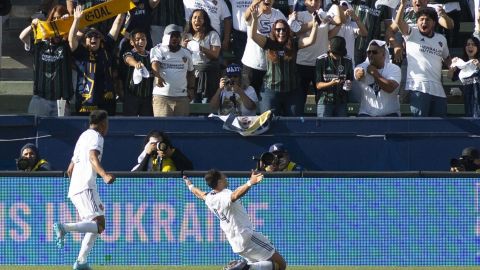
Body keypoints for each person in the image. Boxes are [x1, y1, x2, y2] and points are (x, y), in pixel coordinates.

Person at [183, 169, 287, 270]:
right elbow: (235, 195)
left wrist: (190, 185)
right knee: (281, 264)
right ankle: (244, 267)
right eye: (223, 176)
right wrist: (250, 182)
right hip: (247, 237)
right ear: (219, 181)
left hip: (236, 243)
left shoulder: (210, 197)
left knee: (266, 266)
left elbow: (200, 194)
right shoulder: (224, 195)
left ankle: (246, 267)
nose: (225, 178)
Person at [53, 110, 115, 270]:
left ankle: (81, 262)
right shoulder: (96, 137)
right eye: (107, 123)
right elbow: (92, 157)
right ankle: (64, 227)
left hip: (76, 187)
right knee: (100, 225)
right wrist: (104, 174)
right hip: (86, 185)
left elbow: (70, 168)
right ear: (103, 124)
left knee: (94, 223)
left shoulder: (83, 136)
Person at [249, 4, 318, 116]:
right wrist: (255, 20)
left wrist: (315, 25)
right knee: (268, 122)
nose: (281, 32)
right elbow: (253, 36)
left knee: (295, 123)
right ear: (274, 31)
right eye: (278, 30)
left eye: (284, 29)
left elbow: (310, 41)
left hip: (293, 91)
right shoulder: (269, 43)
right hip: (270, 90)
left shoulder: (294, 43)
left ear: (288, 31)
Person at [394, 0, 451, 117]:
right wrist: (403, 5)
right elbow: (399, 23)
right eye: (421, 19)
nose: (424, 22)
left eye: (427, 20)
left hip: (438, 89)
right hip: (419, 88)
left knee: (440, 128)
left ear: (434, 23)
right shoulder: (411, 34)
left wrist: (453, 66)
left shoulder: (441, 39)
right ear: (417, 21)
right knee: (420, 126)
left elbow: (447, 58)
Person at [69, 5, 125, 115]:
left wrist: (122, 5)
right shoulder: (81, 52)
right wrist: (76, 20)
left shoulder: (106, 48)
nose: (94, 38)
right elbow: (71, 39)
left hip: (106, 100)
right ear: (85, 40)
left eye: (97, 36)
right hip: (86, 102)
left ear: (101, 39)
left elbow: (117, 24)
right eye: (90, 36)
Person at [19, 4, 74, 117]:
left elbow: (77, 36)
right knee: (36, 132)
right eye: (54, 18)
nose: (56, 21)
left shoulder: (67, 44)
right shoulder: (40, 44)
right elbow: (22, 37)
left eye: (59, 18)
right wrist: (32, 25)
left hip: (61, 100)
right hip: (40, 98)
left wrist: (69, 23)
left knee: (62, 133)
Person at [292, 0, 344, 116]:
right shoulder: (300, 15)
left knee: (322, 100)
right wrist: (315, 21)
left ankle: (323, 127)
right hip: (302, 63)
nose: (315, 2)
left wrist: (335, 7)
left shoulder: (324, 14)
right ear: (305, 2)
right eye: (311, 0)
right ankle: (300, 127)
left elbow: (336, 25)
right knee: (299, 99)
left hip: (321, 63)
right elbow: (296, 30)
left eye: (318, 0)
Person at [242, 0, 287, 98]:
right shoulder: (254, 11)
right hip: (252, 64)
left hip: (271, 67)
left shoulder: (278, 14)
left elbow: (288, 33)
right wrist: (255, 3)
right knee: (250, 100)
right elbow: (246, 16)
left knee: (267, 102)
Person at [150, 24, 196, 117]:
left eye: (177, 36)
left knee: (180, 129)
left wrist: (191, 89)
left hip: (182, 98)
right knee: (162, 129)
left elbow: (191, 72)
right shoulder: (158, 49)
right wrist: (157, 76)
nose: (174, 38)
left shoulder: (186, 53)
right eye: (171, 36)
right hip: (162, 97)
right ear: (166, 37)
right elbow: (155, 63)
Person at [183, 9, 222, 103]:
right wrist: (183, 48)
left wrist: (201, 48)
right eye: (194, 17)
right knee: (192, 102)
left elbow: (215, 55)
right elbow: (182, 58)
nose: (197, 20)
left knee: (206, 102)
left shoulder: (212, 34)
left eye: (200, 18)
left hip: (208, 74)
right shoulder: (187, 35)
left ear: (205, 21)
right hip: (191, 73)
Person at [354, 40, 402, 117]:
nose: (371, 55)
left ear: (383, 54)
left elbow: (390, 88)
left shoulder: (394, 69)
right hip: (366, 115)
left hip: (390, 115)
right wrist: (359, 73)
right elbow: (358, 73)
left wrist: (374, 73)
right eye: (369, 52)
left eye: (374, 52)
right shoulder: (362, 66)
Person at [315, 36, 354, 117]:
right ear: (329, 48)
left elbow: (350, 80)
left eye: (339, 53)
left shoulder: (348, 60)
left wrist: (349, 84)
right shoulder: (321, 60)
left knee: (341, 128)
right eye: (335, 53)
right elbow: (318, 85)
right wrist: (331, 83)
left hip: (341, 101)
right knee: (323, 128)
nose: (337, 56)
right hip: (325, 101)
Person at [123, 28, 154, 116]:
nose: (141, 41)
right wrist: (136, 64)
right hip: (132, 96)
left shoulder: (151, 55)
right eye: (137, 39)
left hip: (147, 97)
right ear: (132, 42)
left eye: (143, 39)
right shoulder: (130, 53)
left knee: (146, 124)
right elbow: (128, 58)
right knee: (129, 123)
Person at [447, 35, 480, 117]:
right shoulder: (462, 63)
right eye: (468, 44)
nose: (470, 47)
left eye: (473, 44)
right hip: (469, 99)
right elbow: (449, 76)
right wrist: (452, 67)